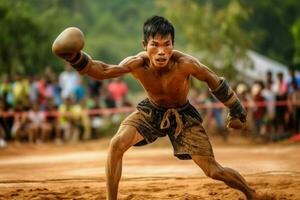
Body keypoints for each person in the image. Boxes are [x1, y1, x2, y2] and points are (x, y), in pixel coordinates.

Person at [52, 16, 256, 200]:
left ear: (173, 45)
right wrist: (76, 59)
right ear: (144, 45)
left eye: (167, 45)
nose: (161, 52)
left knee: (214, 171)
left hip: (184, 116)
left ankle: (251, 194)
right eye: (155, 45)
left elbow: (213, 80)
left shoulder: (185, 63)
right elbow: (104, 70)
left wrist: (236, 108)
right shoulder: (137, 63)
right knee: (117, 144)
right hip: (151, 111)